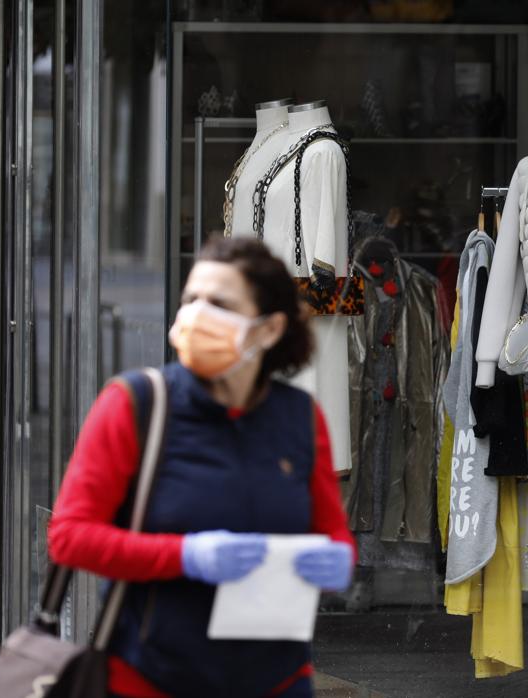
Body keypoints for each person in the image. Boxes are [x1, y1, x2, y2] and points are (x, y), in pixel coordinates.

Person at [48, 237, 356, 698]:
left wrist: (338, 561)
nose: (197, 315)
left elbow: (333, 533)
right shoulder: (136, 404)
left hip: (277, 680)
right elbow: (69, 537)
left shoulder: (300, 417)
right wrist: (186, 556)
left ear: (268, 329)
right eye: (191, 300)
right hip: (151, 677)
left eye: (219, 303)